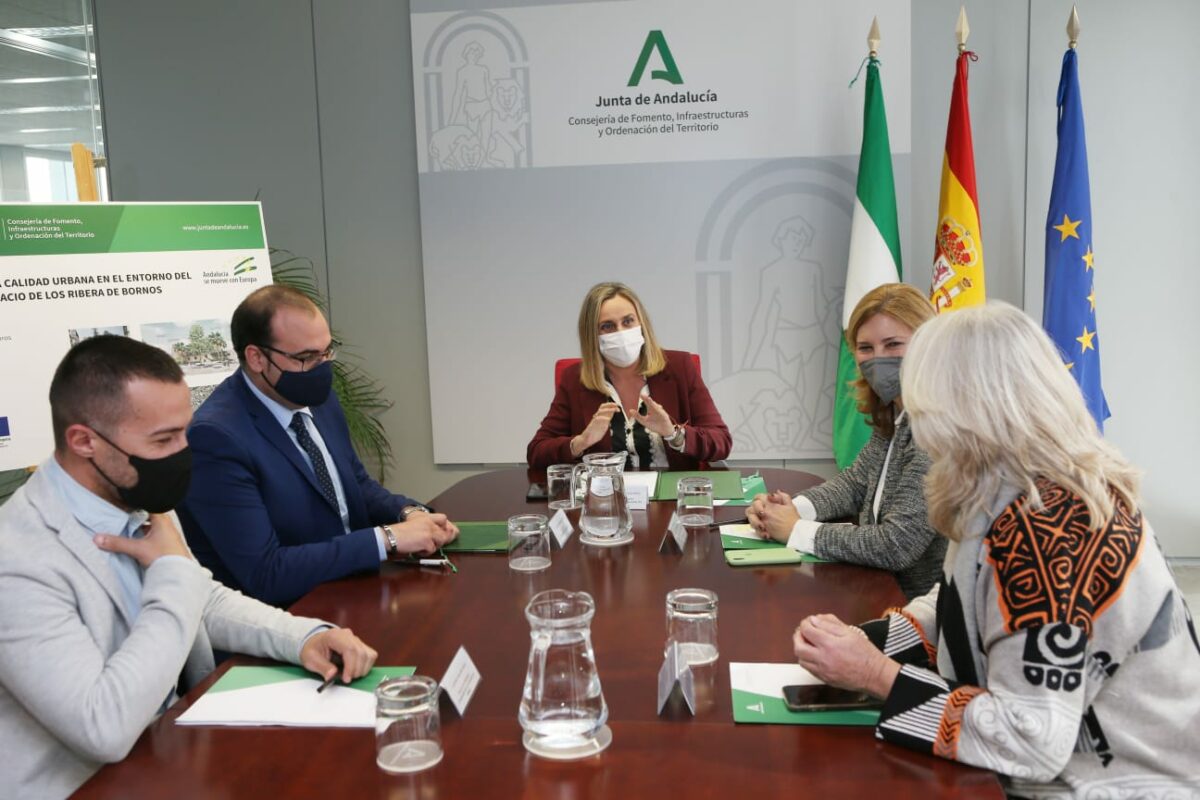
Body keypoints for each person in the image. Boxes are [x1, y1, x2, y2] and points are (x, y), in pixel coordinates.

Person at [792, 303, 1200, 798]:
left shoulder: (1047, 527)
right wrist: (867, 639)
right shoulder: (1006, 483)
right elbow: (960, 603)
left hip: (1107, 782)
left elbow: (1030, 742)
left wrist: (876, 674)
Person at [0, 336, 378, 799]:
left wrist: (303, 637)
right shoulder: (17, 559)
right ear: (84, 442)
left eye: (184, 430)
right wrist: (173, 574)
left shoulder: (134, 490)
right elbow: (103, 726)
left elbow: (201, 596)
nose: (185, 452)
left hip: (177, 752)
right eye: (164, 439)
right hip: (86, 783)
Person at [178, 285, 458, 607]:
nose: (322, 367)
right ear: (256, 357)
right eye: (306, 357)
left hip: (352, 591)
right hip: (287, 617)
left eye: (327, 352)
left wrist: (410, 514)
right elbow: (265, 574)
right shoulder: (215, 439)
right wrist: (387, 539)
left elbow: (355, 484)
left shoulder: (315, 399)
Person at [747, 283, 944, 599]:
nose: (877, 359)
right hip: (878, 592)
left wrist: (796, 530)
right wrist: (783, 511)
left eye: (893, 344)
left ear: (928, 344)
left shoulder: (938, 428)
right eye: (866, 348)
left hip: (917, 615)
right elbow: (854, 485)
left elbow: (897, 545)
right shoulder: (894, 413)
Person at [527, 282, 731, 470]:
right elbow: (536, 451)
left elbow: (721, 442)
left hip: (670, 498)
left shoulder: (679, 367)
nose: (621, 332)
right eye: (607, 326)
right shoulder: (575, 379)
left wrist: (673, 434)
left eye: (628, 321)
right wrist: (581, 442)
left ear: (641, 323)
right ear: (592, 336)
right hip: (606, 499)